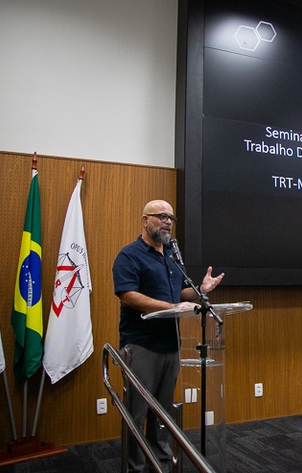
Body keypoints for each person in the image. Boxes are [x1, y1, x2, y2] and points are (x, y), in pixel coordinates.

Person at [112, 199, 225, 473]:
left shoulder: (173, 257)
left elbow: (181, 294)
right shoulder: (129, 255)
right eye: (161, 216)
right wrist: (172, 307)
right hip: (141, 347)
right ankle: (135, 468)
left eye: (171, 218)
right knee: (136, 414)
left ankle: (161, 465)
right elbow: (128, 296)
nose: (167, 222)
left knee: (162, 414)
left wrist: (201, 289)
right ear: (144, 219)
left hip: (171, 346)